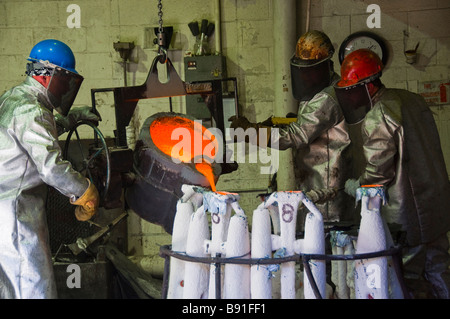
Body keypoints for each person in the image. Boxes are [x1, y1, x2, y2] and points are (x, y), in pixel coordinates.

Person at [336, 48, 450, 299]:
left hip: (408, 216)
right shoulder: (413, 99)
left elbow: (378, 173)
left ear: (366, 86)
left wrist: (357, 185)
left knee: (407, 278)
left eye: (351, 89)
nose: (350, 96)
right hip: (437, 207)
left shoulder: (379, 114)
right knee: (439, 270)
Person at [0, 39, 101, 299]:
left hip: (8, 209)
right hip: (16, 215)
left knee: (12, 289)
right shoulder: (30, 110)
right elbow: (51, 167)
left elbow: (33, 130)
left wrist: (71, 117)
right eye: (64, 81)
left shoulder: (14, 98)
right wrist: (85, 190)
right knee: (33, 288)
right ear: (50, 76)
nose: (65, 88)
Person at [229, 30, 353, 224]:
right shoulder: (325, 88)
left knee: (324, 238)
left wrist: (252, 132)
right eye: (303, 72)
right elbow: (311, 125)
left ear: (326, 66)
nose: (306, 78)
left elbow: (295, 136)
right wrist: (277, 124)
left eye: (311, 71)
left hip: (327, 184)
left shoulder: (326, 97)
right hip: (316, 180)